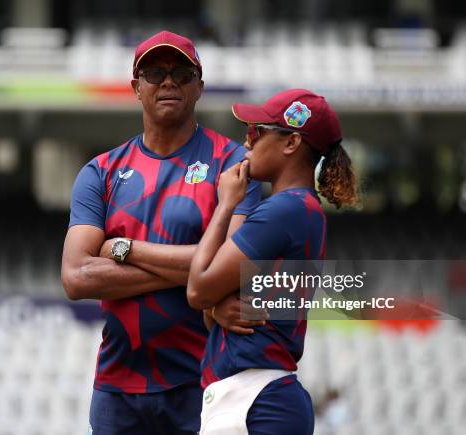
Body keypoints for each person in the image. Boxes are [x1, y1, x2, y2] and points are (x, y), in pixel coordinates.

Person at [61, 30, 261, 435]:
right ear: (136, 88)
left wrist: (125, 249)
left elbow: (237, 264)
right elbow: (77, 277)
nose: (168, 81)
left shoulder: (235, 164)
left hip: (205, 384)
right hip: (117, 390)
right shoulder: (100, 172)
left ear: (199, 87)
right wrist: (198, 271)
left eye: (182, 73)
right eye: (154, 73)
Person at [187, 89, 359, 434]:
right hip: (255, 396)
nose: (247, 141)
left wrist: (226, 205)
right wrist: (216, 308)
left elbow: (198, 288)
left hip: (257, 399)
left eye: (257, 131)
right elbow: (213, 309)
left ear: (292, 143)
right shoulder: (298, 208)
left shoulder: (285, 209)